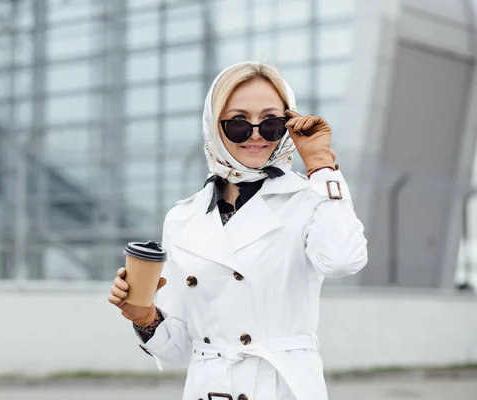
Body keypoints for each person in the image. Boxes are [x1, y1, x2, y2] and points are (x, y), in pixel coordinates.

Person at [108, 61, 368, 400]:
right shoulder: (183, 217)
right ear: (214, 126)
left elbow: (344, 260)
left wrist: (321, 165)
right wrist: (144, 316)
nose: (257, 134)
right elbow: (179, 351)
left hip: (282, 387)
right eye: (238, 123)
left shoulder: (310, 196)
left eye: (272, 122)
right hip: (207, 389)